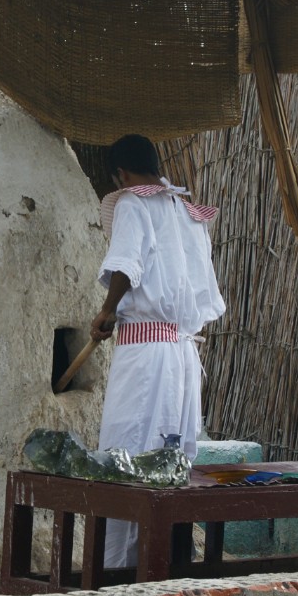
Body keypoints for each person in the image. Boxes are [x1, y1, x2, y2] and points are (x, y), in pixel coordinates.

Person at [90, 134, 226, 567]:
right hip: (182, 355)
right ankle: (165, 566)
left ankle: (116, 572)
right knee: (172, 458)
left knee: (126, 453)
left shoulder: (133, 203)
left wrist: (107, 311)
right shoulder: (186, 212)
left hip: (146, 353)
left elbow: (126, 264)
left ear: (121, 174)